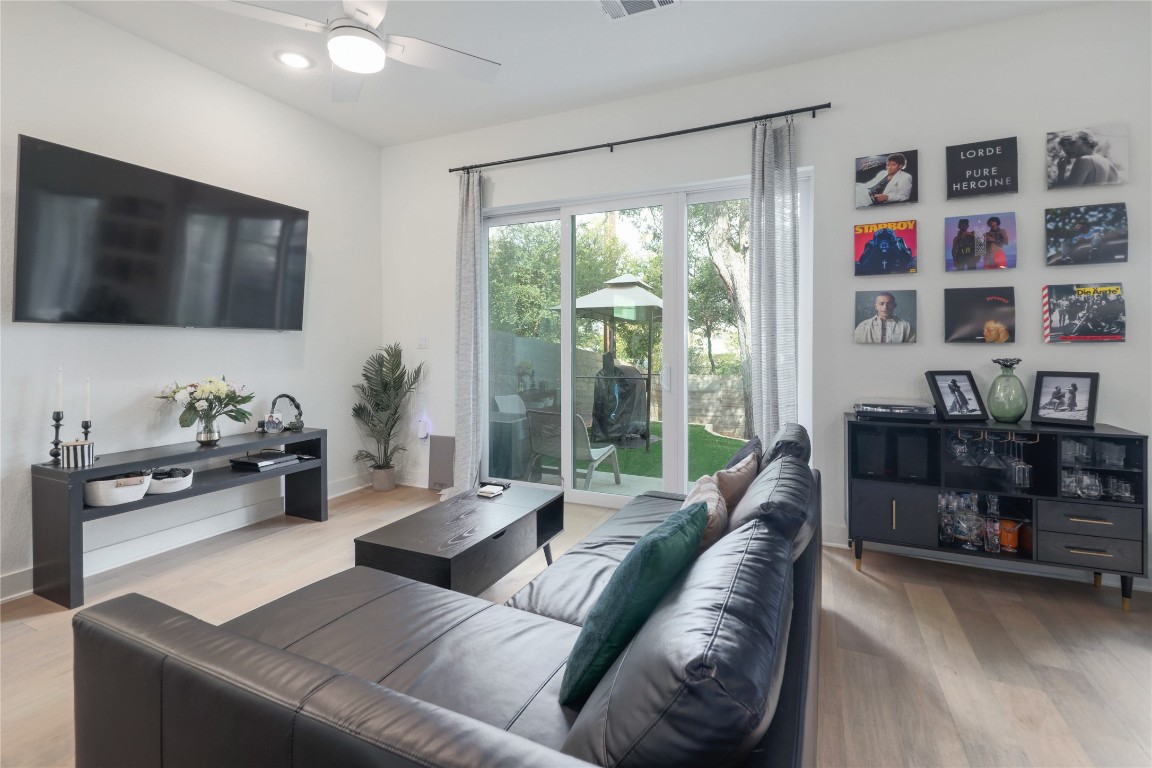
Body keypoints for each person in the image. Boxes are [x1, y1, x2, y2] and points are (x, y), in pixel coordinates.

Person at [1053, 131, 1120, 186]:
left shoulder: (1084, 160)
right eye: (1063, 144)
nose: (1066, 148)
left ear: (1088, 141)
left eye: (1072, 142)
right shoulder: (1110, 165)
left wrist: (1061, 172)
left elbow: (1067, 194)